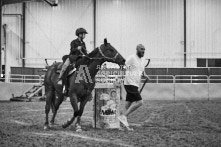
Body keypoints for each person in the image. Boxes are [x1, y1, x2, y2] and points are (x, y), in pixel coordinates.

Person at [118, 44, 149, 130]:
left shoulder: (143, 60)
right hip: (129, 82)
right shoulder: (131, 58)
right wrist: (119, 77)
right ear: (137, 49)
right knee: (140, 102)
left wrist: (145, 75)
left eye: (144, 49)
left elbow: (142, 70)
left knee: (128, 103)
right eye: (141, 49)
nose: (143, 51)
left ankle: (121, 124)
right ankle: (124, 116)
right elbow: (123, 67)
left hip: (135, 83)